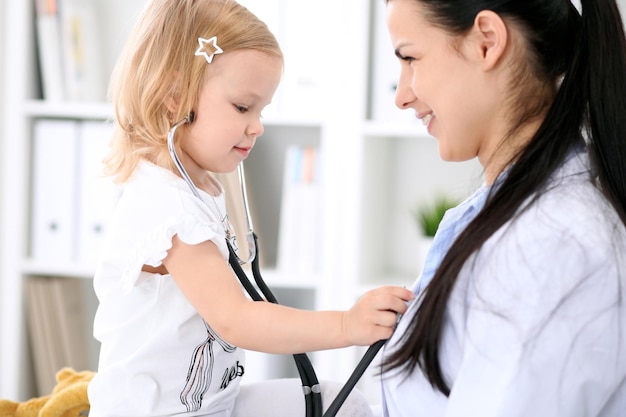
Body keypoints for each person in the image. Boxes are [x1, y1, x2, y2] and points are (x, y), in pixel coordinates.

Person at [86, 0, 414, 416]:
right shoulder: (165, 207)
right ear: (174, 98)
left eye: (262, 110)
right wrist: (346, 325)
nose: (257, 125)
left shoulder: (203, 188)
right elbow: (235, 319)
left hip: (217, 403)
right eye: (243, 107)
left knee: (346, 405)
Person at [379, 0, 626, 416]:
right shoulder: (513, 221)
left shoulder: (552, 247)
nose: (402, 96)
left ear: (487, 42)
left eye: (411, 58)